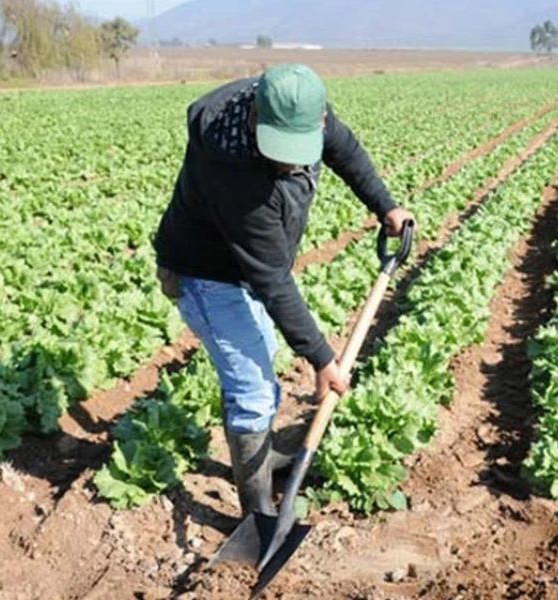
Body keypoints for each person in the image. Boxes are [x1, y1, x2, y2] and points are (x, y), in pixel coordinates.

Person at [152, 64, 414, 517]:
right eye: (281, 151)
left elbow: (345, 150)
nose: (292, 163)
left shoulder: (302, 105)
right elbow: (271, 278)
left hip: (242, 269)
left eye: (299, 150)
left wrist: (385, 205)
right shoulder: (231, 173)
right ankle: (258, 513)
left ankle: (265, 457)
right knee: (253, 390)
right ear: (255, 118)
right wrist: (321, 358)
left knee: (261, 360)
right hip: (205, 274)